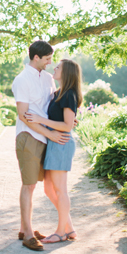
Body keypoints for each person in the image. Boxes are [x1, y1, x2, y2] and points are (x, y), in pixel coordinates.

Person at [11, 40, 71, 252]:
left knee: (41, 185)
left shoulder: (47, 78)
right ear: (36, 57)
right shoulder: (21, 80)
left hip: (47, 139)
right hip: (29, 136)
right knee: (29, 185)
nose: (49, 63)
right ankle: (28, 234)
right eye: (47, 59)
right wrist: (49, 133)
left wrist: (68, 120)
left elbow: (53, 106)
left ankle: (23, 228)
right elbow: (24, 116)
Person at [23, 58, 83, 243]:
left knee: (60, 190)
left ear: (67, 73)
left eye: (58, 67)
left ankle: (61, 231)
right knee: (49, 189)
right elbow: (67, 121)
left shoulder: (69, 95)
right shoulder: (59, 93)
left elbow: (67, 126)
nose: (54, 69)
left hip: (61, 143)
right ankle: (69, 228)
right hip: (55, 142)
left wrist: (40, 120)